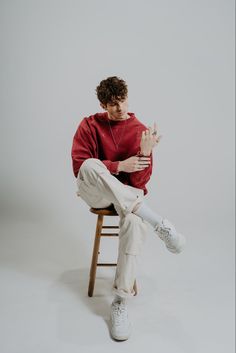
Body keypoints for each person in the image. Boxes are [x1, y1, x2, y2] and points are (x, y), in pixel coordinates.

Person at [71, 76, 186, 341]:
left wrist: (145, 155)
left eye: (122, 100)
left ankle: (120, 301)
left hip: (128, 200)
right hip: (97, 194)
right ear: (103, 104)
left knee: (134, 222)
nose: (120, 107)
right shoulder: (89, 125)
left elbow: (140, 183)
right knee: (90, 165)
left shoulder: (139, 130)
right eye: (112, 104)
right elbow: (79, 168)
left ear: (127, 97)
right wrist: (119, 166)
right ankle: (158, 222)